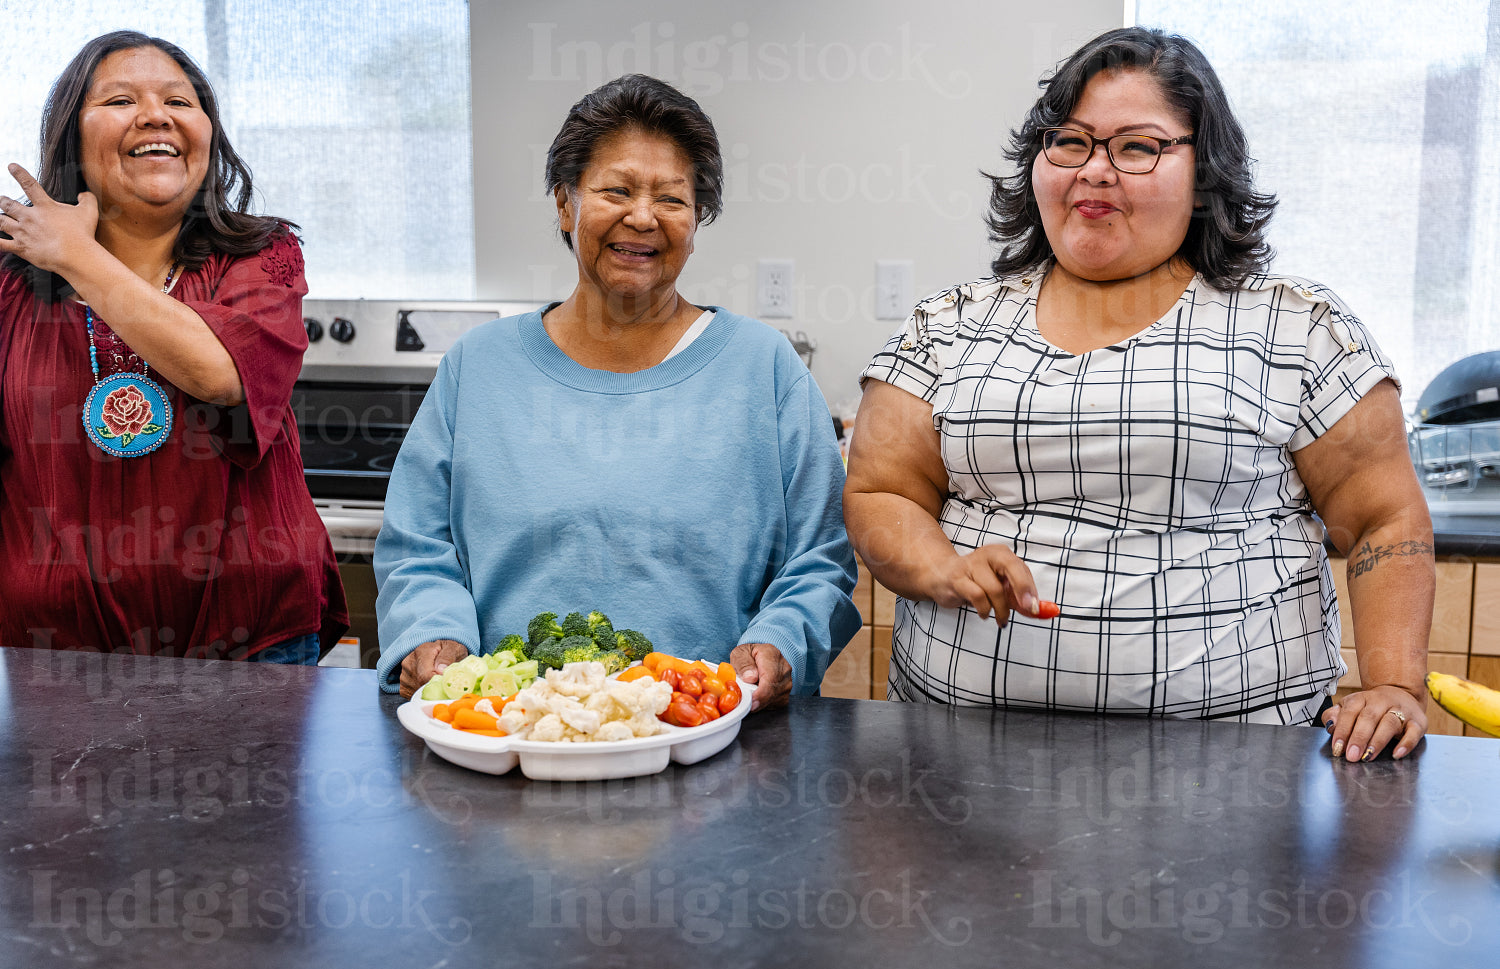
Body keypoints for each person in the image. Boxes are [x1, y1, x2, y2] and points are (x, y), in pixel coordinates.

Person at [844, 27, 1434, 763]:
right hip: (963, 766)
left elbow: (1382, 517)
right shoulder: (948, 324)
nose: (1095, 170)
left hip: (1235, 768)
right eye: (1071, 142)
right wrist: (940, 565)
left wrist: (1396, 685)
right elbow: (881, 493)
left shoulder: (1296, 325)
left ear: (1205, 171)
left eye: (1136, 147)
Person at [375, 74, 859, 708]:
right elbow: (417, 545)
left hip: (704, 731)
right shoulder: (478, 367)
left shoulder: (762, 367)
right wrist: (432, 633)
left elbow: (820, 556)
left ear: (697, 217)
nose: (642, 216)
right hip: (508, 730)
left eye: (672, 198)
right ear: (563, 204)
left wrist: (781, 641)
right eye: (617, 190)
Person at [0, 31, 346, 663]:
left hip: (249, 641)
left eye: (180, 102)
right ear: (71, 137)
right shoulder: (8, 284)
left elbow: (218, 373)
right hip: (51, 651)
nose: (156, 114)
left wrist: (76, 255)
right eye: (120, 100)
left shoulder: (262, 254)